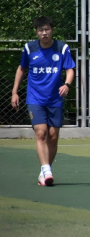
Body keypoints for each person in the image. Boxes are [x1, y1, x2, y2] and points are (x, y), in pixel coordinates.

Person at [10, 16, 75, 186]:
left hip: (55, 99)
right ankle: (47, 171)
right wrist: (14, 92)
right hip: (35, 98)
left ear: (52, 30)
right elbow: (21, 69)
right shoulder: (29, 48)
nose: (44, 33)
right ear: (36, 32)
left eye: (47, 29)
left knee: (53, 137)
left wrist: (67, 84)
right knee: (41, 133)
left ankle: (44, 172)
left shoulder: (62, 48)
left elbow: (70, 69)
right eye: (41, 30)